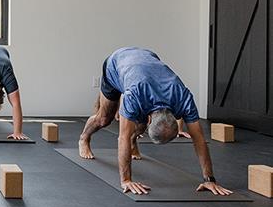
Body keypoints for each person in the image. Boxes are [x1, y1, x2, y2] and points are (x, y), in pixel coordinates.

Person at [78, 47, 232, 196]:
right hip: (116, 63)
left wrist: (209, 179)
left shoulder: (183, 98)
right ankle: (84, 138)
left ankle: (134, 141)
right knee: (104, 119)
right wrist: (126, 180)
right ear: (150, 118)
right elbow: (122, 137)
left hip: (146, 58)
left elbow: (199, 139)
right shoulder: (134, 95)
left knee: (137, 123)